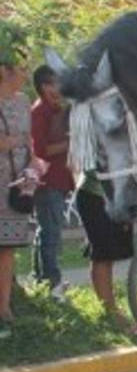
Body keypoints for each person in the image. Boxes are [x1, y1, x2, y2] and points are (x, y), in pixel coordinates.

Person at [29, 66, 74, 299]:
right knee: (50, 233)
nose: (59, 89)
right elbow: (41, 150)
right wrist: (71, 142)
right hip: (47, 181)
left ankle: (42, 280)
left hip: (60, 180)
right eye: (55, 83)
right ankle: (52, 283)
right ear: (45, 86)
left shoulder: (58, 109)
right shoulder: (40, 112)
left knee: (47, 231)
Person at [74, 169, 137, 328]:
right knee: (102, 254)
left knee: (109, 254)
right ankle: (110, 313)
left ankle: (111, 308)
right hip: (94, 195)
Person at [0, 39, 32, 339]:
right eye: (21, 67)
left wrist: (32, 169)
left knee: (8, 249)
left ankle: (5, 306)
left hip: (16, 184)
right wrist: (9, 143)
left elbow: (30, 140)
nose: (26, 73)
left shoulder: (23, 102)